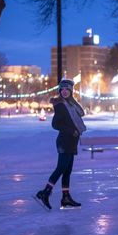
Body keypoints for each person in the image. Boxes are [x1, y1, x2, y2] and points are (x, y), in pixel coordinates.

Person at [36, 79, 87, 209]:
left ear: (70, 91)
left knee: (67, 171)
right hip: (64, 141)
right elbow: (55, 124)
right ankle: (45, 192)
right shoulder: (60, 105)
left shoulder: (71, 104)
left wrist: (73, 101)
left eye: (67, 89)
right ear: (60, 91)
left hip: (71, 141)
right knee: (61, 168)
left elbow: (82, 113)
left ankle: (65, 197)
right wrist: (71, 131)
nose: (64, 92)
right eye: (62, 89)